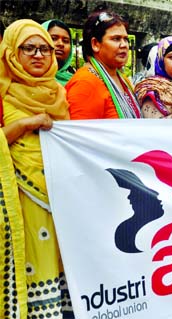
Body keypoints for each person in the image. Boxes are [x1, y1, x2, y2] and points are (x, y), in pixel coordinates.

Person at [0, 19, 72, 318]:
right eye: (29, 48)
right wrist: (24, 125)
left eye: (45, 48)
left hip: (59, 198)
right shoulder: (2, 91)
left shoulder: (60, 93)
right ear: (12, 53)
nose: (39, 55)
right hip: (17, 197)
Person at [66, 10, 142, 119]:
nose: (124, 45)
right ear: (95, 44)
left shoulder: (123, 79)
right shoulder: (85, 83)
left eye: (125, 39)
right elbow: (80, 134)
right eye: (116, 39)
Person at [42, 19, 74, 85]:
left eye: (65, 41)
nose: (60, 44)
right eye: (53, 38)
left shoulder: (75, 81)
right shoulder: (25, 77)